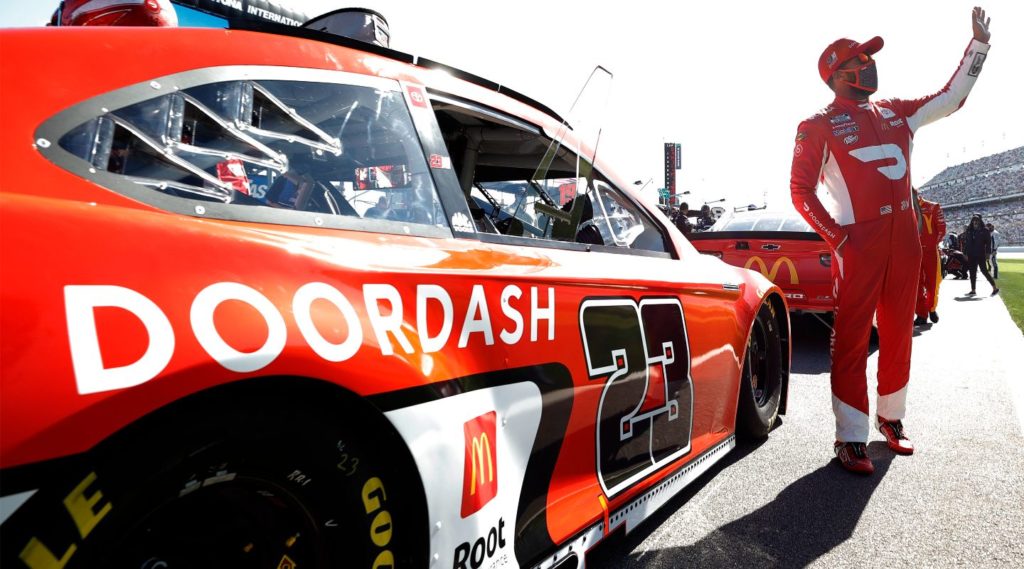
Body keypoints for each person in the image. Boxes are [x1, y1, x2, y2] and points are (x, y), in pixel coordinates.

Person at [789, 7, 991, 474]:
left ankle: (892, 419)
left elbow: (951, 97)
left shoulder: (897, 111)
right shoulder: (816, 125)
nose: (870, 65)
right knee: (853, 340)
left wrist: (978, 47)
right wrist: (839, 240)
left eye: (870, 58)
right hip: (859, 245)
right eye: (861, 59)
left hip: (905, 244)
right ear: (837, 73)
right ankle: (850, 437)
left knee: (900, 334)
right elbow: (800, 191)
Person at [915, 193, 946, 325]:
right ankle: (921, 314)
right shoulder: (905, 209)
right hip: (914, 252)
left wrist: (932, 244)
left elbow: (942, 229)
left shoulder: (933, 207)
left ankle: (932, 308)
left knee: (932, 283)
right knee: (916, 285)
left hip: (930, 252)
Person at [963, 215, 998, 296]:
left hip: (980, 254)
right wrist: (965, 253)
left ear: (980, 221)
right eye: (974, 220)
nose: (975, 222)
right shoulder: (969, 230)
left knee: (984, 271)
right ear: (972, 221)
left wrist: (988, 253)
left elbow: (988, 243)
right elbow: (966, 242)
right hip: (971, 254)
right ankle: (973, 290)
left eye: (977, 220)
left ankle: (994, 288)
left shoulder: (985, 230)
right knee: (972, 272)